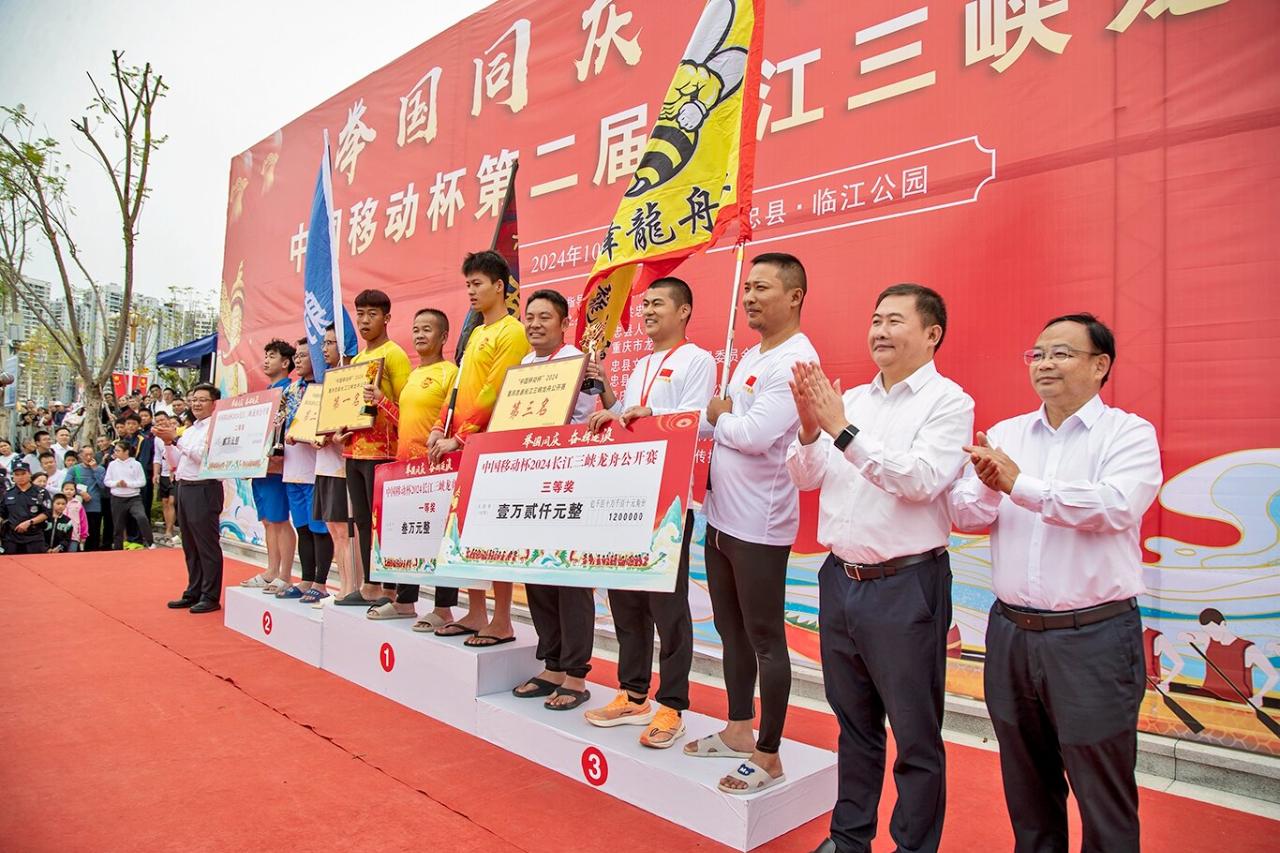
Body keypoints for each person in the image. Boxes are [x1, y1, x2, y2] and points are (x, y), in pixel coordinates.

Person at [948, 313, 1162, 853]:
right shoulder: (1006, 434)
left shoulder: (1128, 434)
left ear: (1100, 365)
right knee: (1027, 786)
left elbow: (1114, 507)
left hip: (1093, 638)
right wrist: (990, 486)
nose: (1044, 364)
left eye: (1061, 353)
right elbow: (967, 514)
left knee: (1102, 791)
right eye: (1037, 354)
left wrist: (1019, 484)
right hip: (1011, 634)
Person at [787, 283, 973, 853]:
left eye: (895, 320)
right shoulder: (854, 401)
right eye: (875, 320)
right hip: (840, 579)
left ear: (932, 334)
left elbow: (920, 481)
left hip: (906, 585)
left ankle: (913, 846)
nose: (880, 331)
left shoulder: (948, 402)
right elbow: (806, 477)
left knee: (915, 735)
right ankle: (849, 839)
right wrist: (810, 428)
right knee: (854, 724)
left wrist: (840, 429)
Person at [692, 253, 820, 793]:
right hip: (722, 517)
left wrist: (721, 415)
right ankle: (739, 728)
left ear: (794, 296)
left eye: (761, 288)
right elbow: (717, 418)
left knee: (766, 639)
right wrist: (705, 417)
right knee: (730, 630)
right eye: (747, 288)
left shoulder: (796, 360)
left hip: (759, 527)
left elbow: (752, 435)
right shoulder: (752, 353)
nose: (748, 298)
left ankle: (769, 754)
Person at [580, 277, 716, 748]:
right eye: (645, 305)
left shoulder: (697, 360)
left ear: (684, 310)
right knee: (626, 600)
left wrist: (645, 414)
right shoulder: (640, 364)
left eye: (658, 303)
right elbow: (628, 418)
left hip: (669, 502)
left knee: (667, 606)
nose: (649, 311)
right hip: (628, 496)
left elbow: (696, 423)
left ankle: (672, 704)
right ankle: (633, 693)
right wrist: (609, 400)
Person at [428, 251, 531, 644]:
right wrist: (439, 425)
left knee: (494, 532)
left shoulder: (512, 332)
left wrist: (460, 436)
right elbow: (458, 386)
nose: (471, 291)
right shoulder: (474, 334)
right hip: (463, 445)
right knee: (465, 530)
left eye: (477, 284)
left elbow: (494, 390)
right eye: (467, 284)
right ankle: (475, 612)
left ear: (499, 286)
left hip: (491, 445)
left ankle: (502, 619)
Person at [510, 290, 598, 710]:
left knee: (570, 578)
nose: (535, 324)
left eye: (545, 317)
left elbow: (578, 419)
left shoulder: (577, 362)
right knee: (537, 572)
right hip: (529, 480)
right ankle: (552, 664)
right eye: (530, 317)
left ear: (564, 324)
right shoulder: (524, 365)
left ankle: (576, 674)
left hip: (568, 479)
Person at [371, 308, 460, 627]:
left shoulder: (451, 373)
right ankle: (405, 601)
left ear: (444, 336)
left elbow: (453, 419)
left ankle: (444, 609)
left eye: (427, 329)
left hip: (435, 468)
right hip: (404, 469)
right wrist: (382, 401)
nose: (420, 335)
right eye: (416, 329)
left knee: (439, 539)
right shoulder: (411, 377)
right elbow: (403, 421)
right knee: (408, 536)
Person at [329, 289, 412, 608]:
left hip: (384, 453)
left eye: (372, 314)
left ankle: (389, 588)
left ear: (387, 318)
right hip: (354, 452)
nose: (364, 321)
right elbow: (354, 409)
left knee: (383, 522)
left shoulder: (395, 355)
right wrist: (341, 428)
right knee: (362, 522)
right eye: (360, 314)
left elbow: (407, 407)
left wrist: (382, 402)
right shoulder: (356, 360)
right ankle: (370, 585)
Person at [276, 337, 335, 603]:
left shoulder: (326, 387)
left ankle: (321, 583)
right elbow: (279, 424)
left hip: (316, 467)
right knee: (302, 527)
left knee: (319, 528)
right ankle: (306, 579)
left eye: (303, 355)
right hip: (292, 467)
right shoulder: (290, 390)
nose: (298, 360)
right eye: (296, 356)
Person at [155, 384, 223, 613]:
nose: (196, 404)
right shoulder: (191, 429)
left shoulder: (217, 427)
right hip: (184, 486)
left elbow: (204, 457)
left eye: (202, 399)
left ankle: (210, 595)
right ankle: (194, 591)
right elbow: (177, 462)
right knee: (190, 545)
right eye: (194, 399)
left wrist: (175, 438)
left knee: (206, 544)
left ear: (214, 403)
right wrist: (168, 443)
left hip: (205, 488)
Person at [242, 339, 298, 593]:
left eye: (272, 356)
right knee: (267, 520)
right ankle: (271, 570)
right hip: (259, 467)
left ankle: (284, 575)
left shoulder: (290, 392)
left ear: (285, 363)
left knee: (279, 519)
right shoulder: (266, 393)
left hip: (277, 466)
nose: (266, 360)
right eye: (265, 355)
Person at [311, 324, 357, 607]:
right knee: (333, 529)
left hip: (342, 466)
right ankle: (343, 586)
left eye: (330, 343)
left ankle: (350, 588)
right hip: (324, 466)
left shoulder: (351, 380)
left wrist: (335, 437)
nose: (324, 349)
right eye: (324, 343)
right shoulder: (324, 383)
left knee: (344, 531)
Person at [1179, 608, 1279, 707]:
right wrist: (1185, 636)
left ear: (1223, 624)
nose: (1212, 635)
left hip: (1236, 701)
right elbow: (1185, 635)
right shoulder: (1209, 639)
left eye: (1213, 630)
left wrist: (1259, 696)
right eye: (1207, 631)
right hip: (1209, 696)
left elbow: (1273, 675)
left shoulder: (1248, 649)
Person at [106, 440, 154, 550]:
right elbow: (107, 481)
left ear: (126, 451)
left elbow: (142, 482)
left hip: (133, 498)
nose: (115, 452)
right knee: (118, 526)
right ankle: (118, 549)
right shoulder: (112, 465)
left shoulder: (136, 464)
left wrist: (128, 484)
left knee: (141, 517)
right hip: (117, 498)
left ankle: (150, 542)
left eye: (118, 450)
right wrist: (116, 484)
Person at [1, 462, 50, 555]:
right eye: (17, 474)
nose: (20, 477)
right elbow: (2, 513)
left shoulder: (41, 492)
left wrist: (29, 522)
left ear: (30, 474)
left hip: (34, 537)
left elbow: (47, 513)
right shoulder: (7, 493)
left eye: (23, 474)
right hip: (11, 538)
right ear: (13, 477)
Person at [66, 446, 107, 552]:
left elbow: (103, 486)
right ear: (80, 456)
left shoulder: (100, 469)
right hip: (78, 506)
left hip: (94, 506)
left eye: (91, 454)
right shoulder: (74, 469)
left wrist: (95, 469)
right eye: (86, 455)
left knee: (94, 532)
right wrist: (80, 492)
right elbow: (66, 485)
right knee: (78, 531)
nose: (89, 457)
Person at [151, 413, 177, 545]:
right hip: (164, 474)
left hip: (175, 474)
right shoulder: (157, 438)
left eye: (162, 420)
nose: (160, 423)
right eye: (157, 421)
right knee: (165, 502)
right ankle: (168, 529)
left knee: (172, 501)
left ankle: (170, 530)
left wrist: (174, 469)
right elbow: (157, 457)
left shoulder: (176, 434)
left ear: (168, 420)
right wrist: (156, 473)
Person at [60, 481, 89, 553]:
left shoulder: (78, 504)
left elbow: (83, 520)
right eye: (66, 489)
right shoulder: (58, 503)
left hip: (74, 535)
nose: (69, 491)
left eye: (71, 489)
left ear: (75, 492)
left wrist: (83, 535)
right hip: (60, 534)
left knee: (72, 555)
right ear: (62, 490)